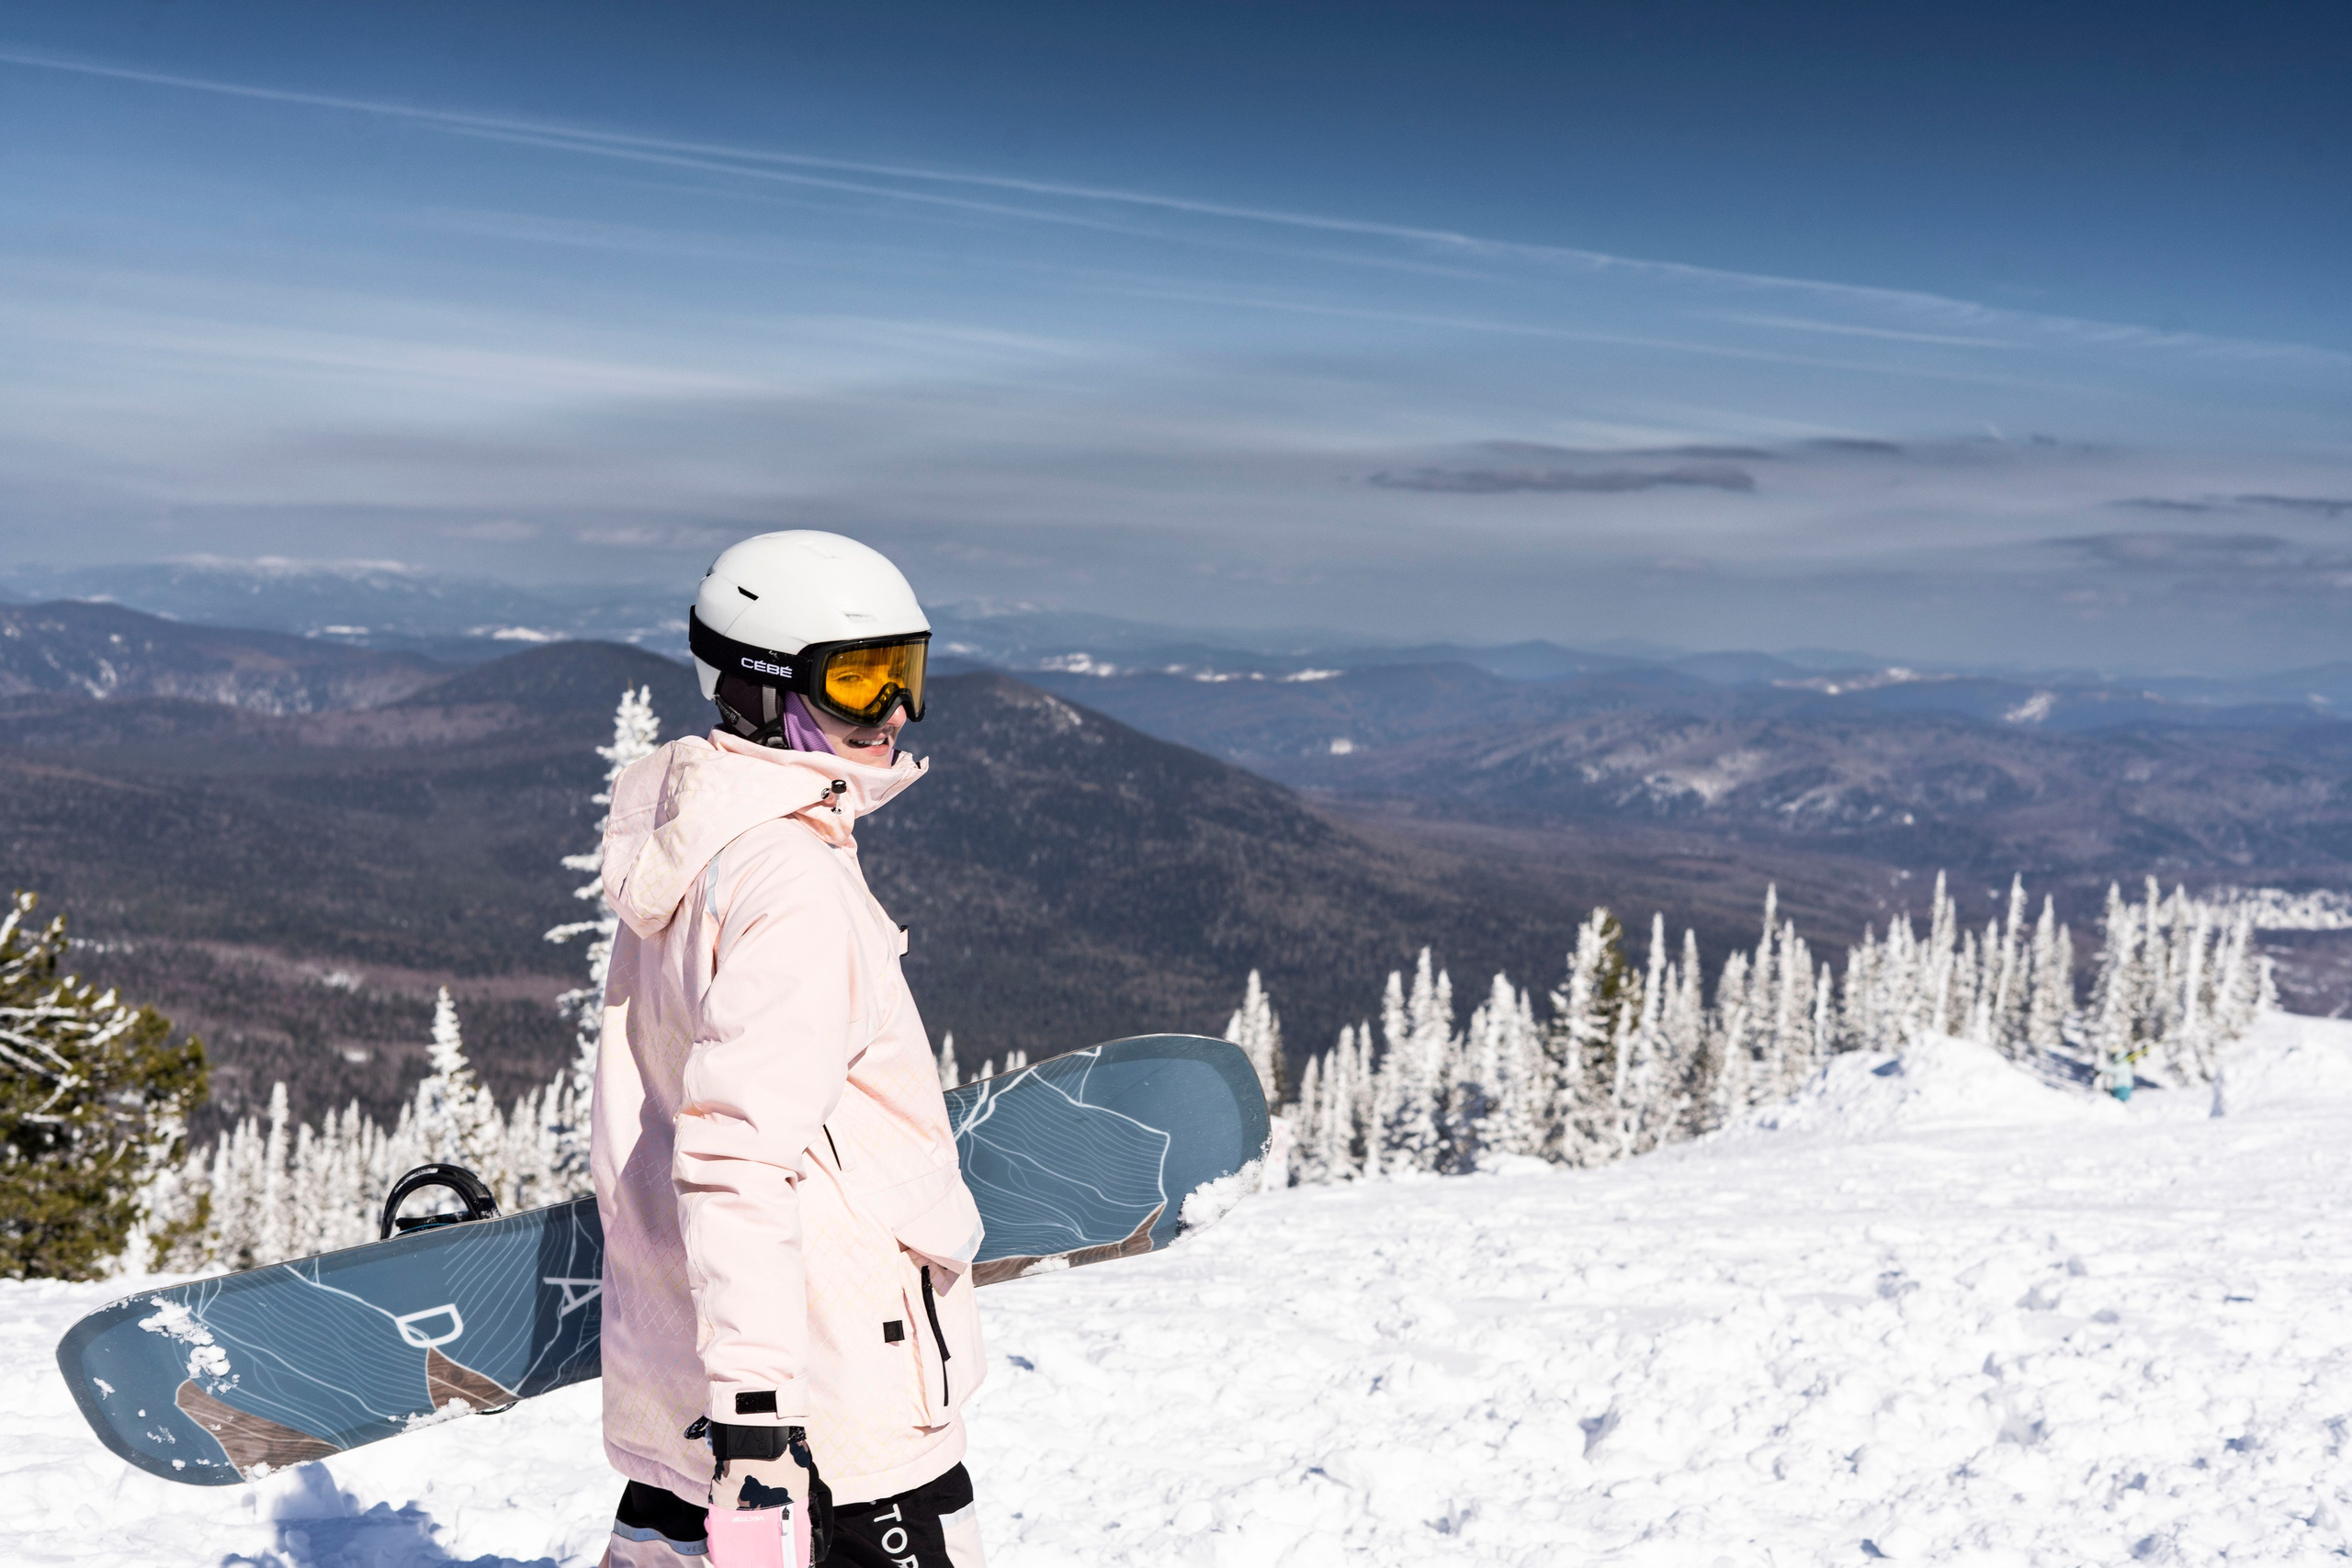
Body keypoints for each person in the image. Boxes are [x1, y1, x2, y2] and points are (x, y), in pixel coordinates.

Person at [593, 531, 987, 1568]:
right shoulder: (792, 883)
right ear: (760, 688)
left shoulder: (701, 843)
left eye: (905, 674)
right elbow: (736, 1154)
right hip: (831, 1407)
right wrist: (761, 1424)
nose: (893, 713)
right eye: (856, 681)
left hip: (694, 1372)